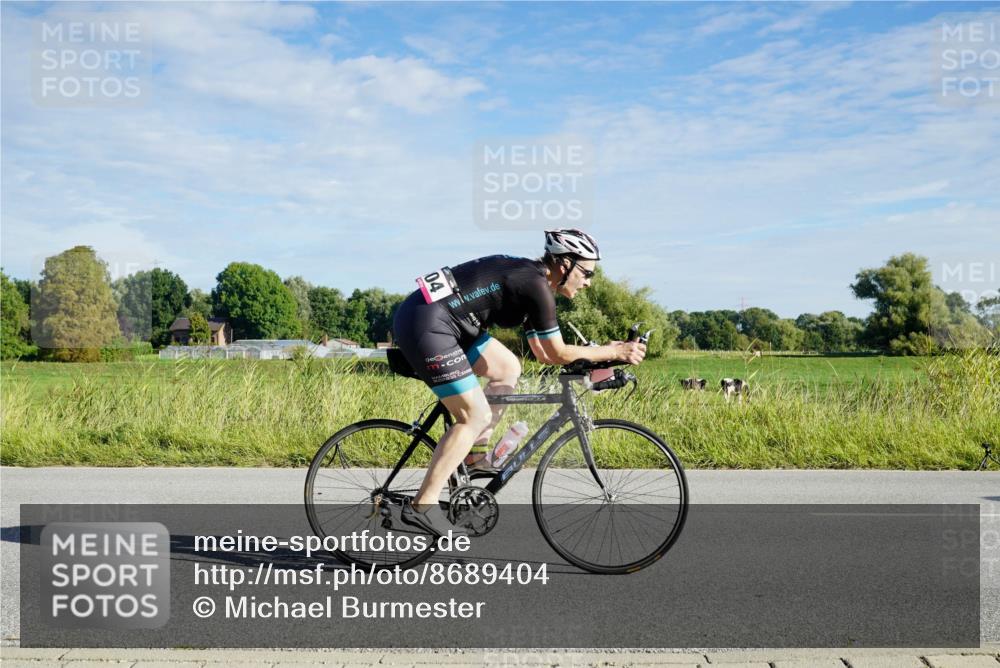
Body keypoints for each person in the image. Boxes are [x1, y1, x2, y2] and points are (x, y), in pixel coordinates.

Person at [392, 229, 646, 535]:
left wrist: (599, 356)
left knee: (508, 367)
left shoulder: (534, 282)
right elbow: (557, 351)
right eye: (587, 272)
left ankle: (473, 456)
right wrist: (614, 350)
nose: (589, 281)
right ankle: (424, 505)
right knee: (474, 415)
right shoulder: (535, 285)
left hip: (450, 321)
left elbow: (543, 354)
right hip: (429, 324)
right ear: (565, 265)